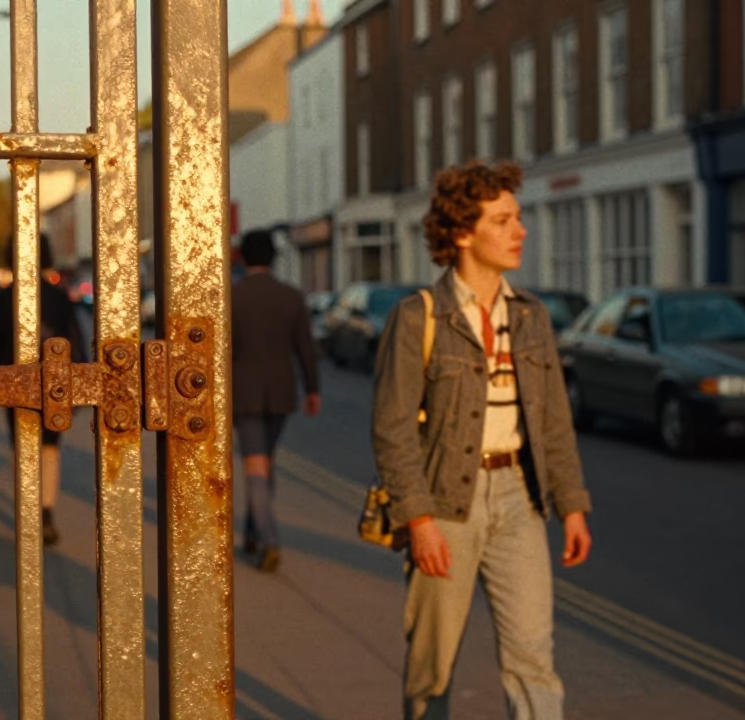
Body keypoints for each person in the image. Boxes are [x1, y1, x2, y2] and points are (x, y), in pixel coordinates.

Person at [371, 161, 593, 720]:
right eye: (503, 220)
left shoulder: (532, 317)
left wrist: (571, 507)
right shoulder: (418, 317)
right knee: (433, 665)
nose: (520, 230)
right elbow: (392, 430)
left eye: (517, 218)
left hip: (520, 498)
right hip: (445, 504)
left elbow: (554, 423)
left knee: (532, 660)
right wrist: (418, 520)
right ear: (463, 233)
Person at [0, 233, 86, 546]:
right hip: (56, 383)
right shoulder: (58, 297)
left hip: (15, 383)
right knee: (50, 448)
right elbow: (75, 339)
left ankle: (28, 510)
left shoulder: (3, 298)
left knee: (22, 447)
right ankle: (47, 511)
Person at [231, 228, 321, 572]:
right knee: (265, 462)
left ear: (243, 258)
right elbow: (305, 350)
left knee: (256, 466)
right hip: (282, 392)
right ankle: (254, 533)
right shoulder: (291, 296)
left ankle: (268, 540)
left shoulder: (233, 296)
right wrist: (313, 389)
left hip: (244, 392)